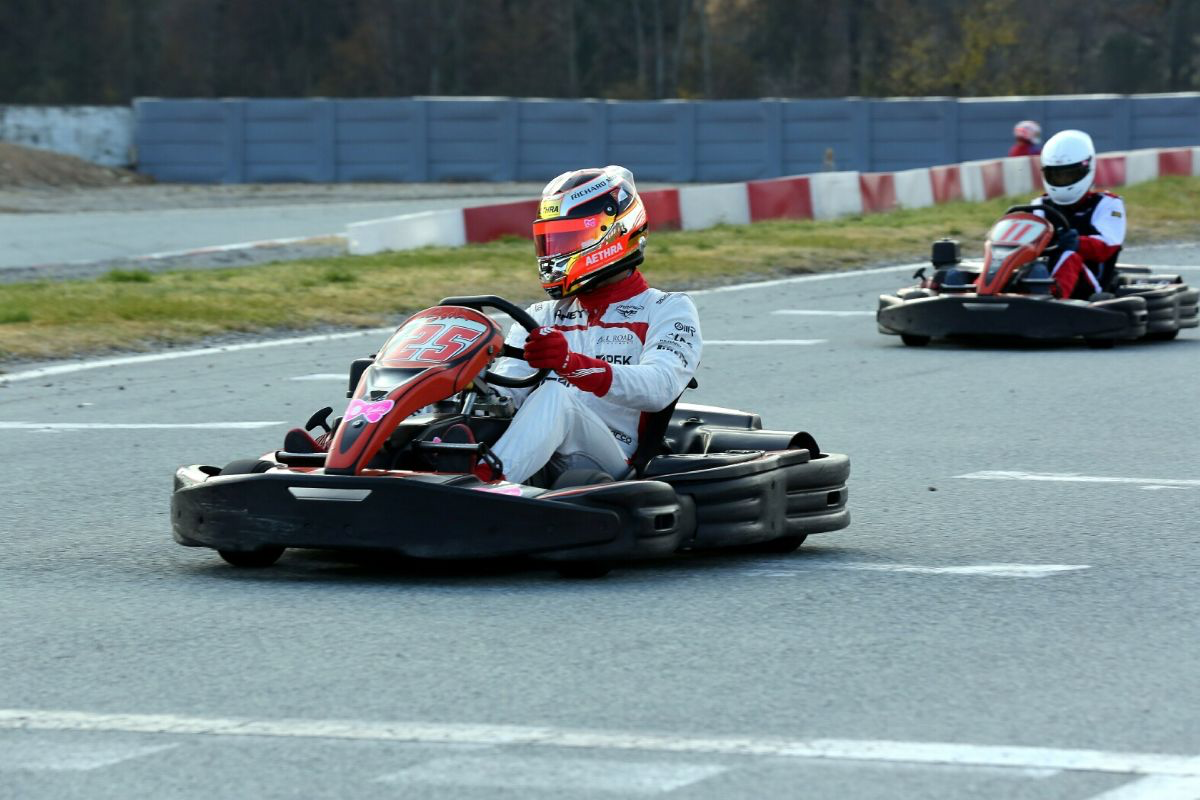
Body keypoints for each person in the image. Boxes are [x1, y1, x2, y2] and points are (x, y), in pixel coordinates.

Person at [445, 165, 702, 485]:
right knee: (450, 395)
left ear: (614, 233)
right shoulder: (541, 315)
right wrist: (464, 377)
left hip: (613, 460)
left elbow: (658, 388)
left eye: (569, 239)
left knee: (557, 396)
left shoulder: (667, 309)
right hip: (536, 450)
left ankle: (480, 487)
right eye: (551, 242)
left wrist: (570, 364)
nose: (556, 255)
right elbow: (508, 395)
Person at [1033, 129, 1126, 300]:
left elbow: (1108, 246)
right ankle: (984, 292)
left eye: (1069, 175)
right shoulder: (1039, 205)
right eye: (1057, 176)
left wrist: (1077, 243)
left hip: (1088, 285)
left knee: (1069, 255)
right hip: (1042, 275)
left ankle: (1052, 300)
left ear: (1087, 169)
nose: (1063, 182)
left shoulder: (1107, 204)